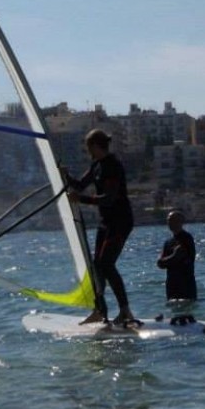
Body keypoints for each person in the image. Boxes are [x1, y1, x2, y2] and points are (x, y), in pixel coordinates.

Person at [61, 129, 135, 325]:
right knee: (97, 266)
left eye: (88, 147)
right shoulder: (96, 166)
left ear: (94, 146)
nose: (88, 151)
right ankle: (100, 310)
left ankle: (125, 311)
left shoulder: (112, 166)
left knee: (106, 264)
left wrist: (81, 200)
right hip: (106, 222)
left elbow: (109, 199)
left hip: (120, 221)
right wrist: (64, 174)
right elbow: (79, 186)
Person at [157, 210, 197, 301]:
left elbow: (178, 257)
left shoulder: (186, 238)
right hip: (171, 284)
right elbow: (160, 263)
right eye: (168, 220)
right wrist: (173, 256)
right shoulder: (168, 242)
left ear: (181, 222)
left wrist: (168, 259)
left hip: (186, 284)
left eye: (173, 220)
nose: (169, 223)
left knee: (187, 312)